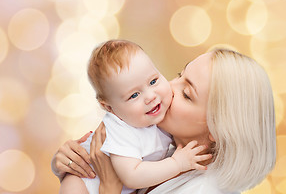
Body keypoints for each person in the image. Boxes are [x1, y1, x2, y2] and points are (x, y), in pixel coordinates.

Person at [52, 48, 276, 194]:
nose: (167, 88)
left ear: (218, 128)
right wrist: (72, 162)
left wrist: (109, 187)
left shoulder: (203, 190)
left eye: (187, 94)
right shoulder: (164, 147)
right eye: (179, 75)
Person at [53, 40, 211, 194]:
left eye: (153, 81)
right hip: (84, 180)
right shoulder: (121, 130)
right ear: (109, 108)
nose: (150, 96)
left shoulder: (203, 186)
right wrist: (177, 163)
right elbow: (132, 176)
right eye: (134, 95)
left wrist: (109, 189)